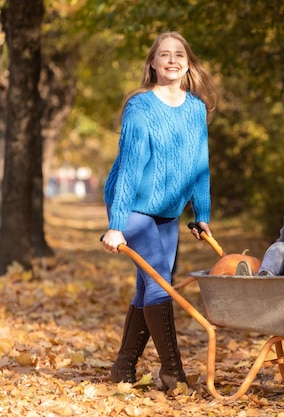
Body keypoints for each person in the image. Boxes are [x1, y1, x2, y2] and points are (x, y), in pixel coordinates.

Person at [100, 31, 218, 390]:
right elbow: (131, 167)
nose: (171, 59)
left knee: (148, 287)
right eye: (163, 54)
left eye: (178, 54)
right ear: (152, 63)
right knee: (160, 284)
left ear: (187, 62)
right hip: (132, 204)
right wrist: (116, 224)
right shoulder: (140, 107)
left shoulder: (196, 108)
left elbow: (200, 166)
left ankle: (123, 366)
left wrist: (202, 215)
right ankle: (173, 373)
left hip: (168, 210)